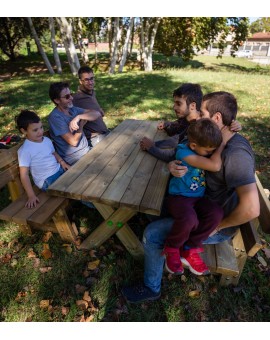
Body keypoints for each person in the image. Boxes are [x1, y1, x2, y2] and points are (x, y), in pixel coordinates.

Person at [121, 91, 260, 303]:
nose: (195, 115)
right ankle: (179, 246)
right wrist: (173, 165)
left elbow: (251, 209)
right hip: (194, 202)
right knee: (156, 208)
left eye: (201, 112)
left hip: (213, 221)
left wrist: (218, 226)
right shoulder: (207, 135)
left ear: (216, 119)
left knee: (153, 232)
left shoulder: (236, 154)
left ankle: (151, 287)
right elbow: (183, 151)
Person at [163, 118, 229, 275]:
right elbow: (215, 165)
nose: (211, 153)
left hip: (198, 197)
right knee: (189, 219)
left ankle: (190, 247)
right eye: (208, 151)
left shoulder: (200, 144)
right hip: (179, 198)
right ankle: (172, 248)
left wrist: (234, 126)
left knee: (216, 213)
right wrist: (221, 145)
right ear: (193, 146)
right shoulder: (184, 152)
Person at [15, 110, 70, 209]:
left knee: (80, 177)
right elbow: (24, 175)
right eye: (35, 130)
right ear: (24, 131)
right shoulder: (25, 151)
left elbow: (53, 153)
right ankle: (94, 205)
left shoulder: (46, 140)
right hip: (47, 180)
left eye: (41, 127)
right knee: (73, 187)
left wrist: (62, 162)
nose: (40, 131)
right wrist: (31, 195)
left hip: (59, 170)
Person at [140, 83, 203, 162]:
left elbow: (174, 156)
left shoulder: (198, 128)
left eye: (178, 103)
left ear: (192, 106)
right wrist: (155, 143)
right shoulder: (187, 119)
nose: (174, 107)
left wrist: (151, 147)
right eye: (174, 103)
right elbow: (177, 138)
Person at [48, 81, 101, 166]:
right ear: (57, 100)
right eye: (67, 96)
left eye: (71, 94)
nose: (71, 98)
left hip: (87, 151)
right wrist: (81, 125)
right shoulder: (55, 117)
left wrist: (79, 117)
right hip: (74, 159)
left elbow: (97, 113)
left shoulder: (72, 109)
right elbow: (73, 142)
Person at [72, 66, 110, 147]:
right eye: (86, 80)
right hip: (95, 138)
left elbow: (95, 109)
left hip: (105, 132)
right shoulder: (76, 98)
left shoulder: (91, 92)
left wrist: (99, 109)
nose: (90, 82)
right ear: (80, 81)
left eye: (91, 78)